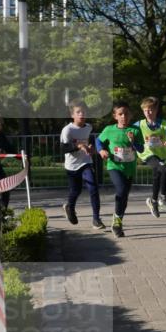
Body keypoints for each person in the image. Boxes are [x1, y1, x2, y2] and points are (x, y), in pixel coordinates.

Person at [96, 101, 144, 238]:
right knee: (121, 190)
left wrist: (133, 141)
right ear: (115, 116)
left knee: (124, 196)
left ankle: (118, 221)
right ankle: (117, 221)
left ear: (130, 115)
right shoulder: (109, 129)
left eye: (126, 114)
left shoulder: (135, 130)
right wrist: (101, 150)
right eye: (120, 114)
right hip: (114, 166)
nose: (124, 116)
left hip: (129, 168)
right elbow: (98, 141)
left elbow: (141, 149)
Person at [60, 101, 104, 230]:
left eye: (84, 112)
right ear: (72, 114)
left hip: (86, 162)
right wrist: (78, 146)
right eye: (78, 112)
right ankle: (70, 207)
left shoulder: (88, 127)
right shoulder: (67, 130)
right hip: (72, 165)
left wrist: (90, 147)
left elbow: (89, 140)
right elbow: (63, 148)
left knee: (93, 188)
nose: (82, 114)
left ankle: (96, 219)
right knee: (76, 190)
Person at [137, 97, 166, 218]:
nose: (148, 113)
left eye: (150, 110)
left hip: (160, 154)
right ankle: (163, 197)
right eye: (145, 110)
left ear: (156, 110)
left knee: (158, 175)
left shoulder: (164, 124)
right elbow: (128, 132)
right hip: (147, 153)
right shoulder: (139, 124)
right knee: (165, 169)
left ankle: (153, 201)